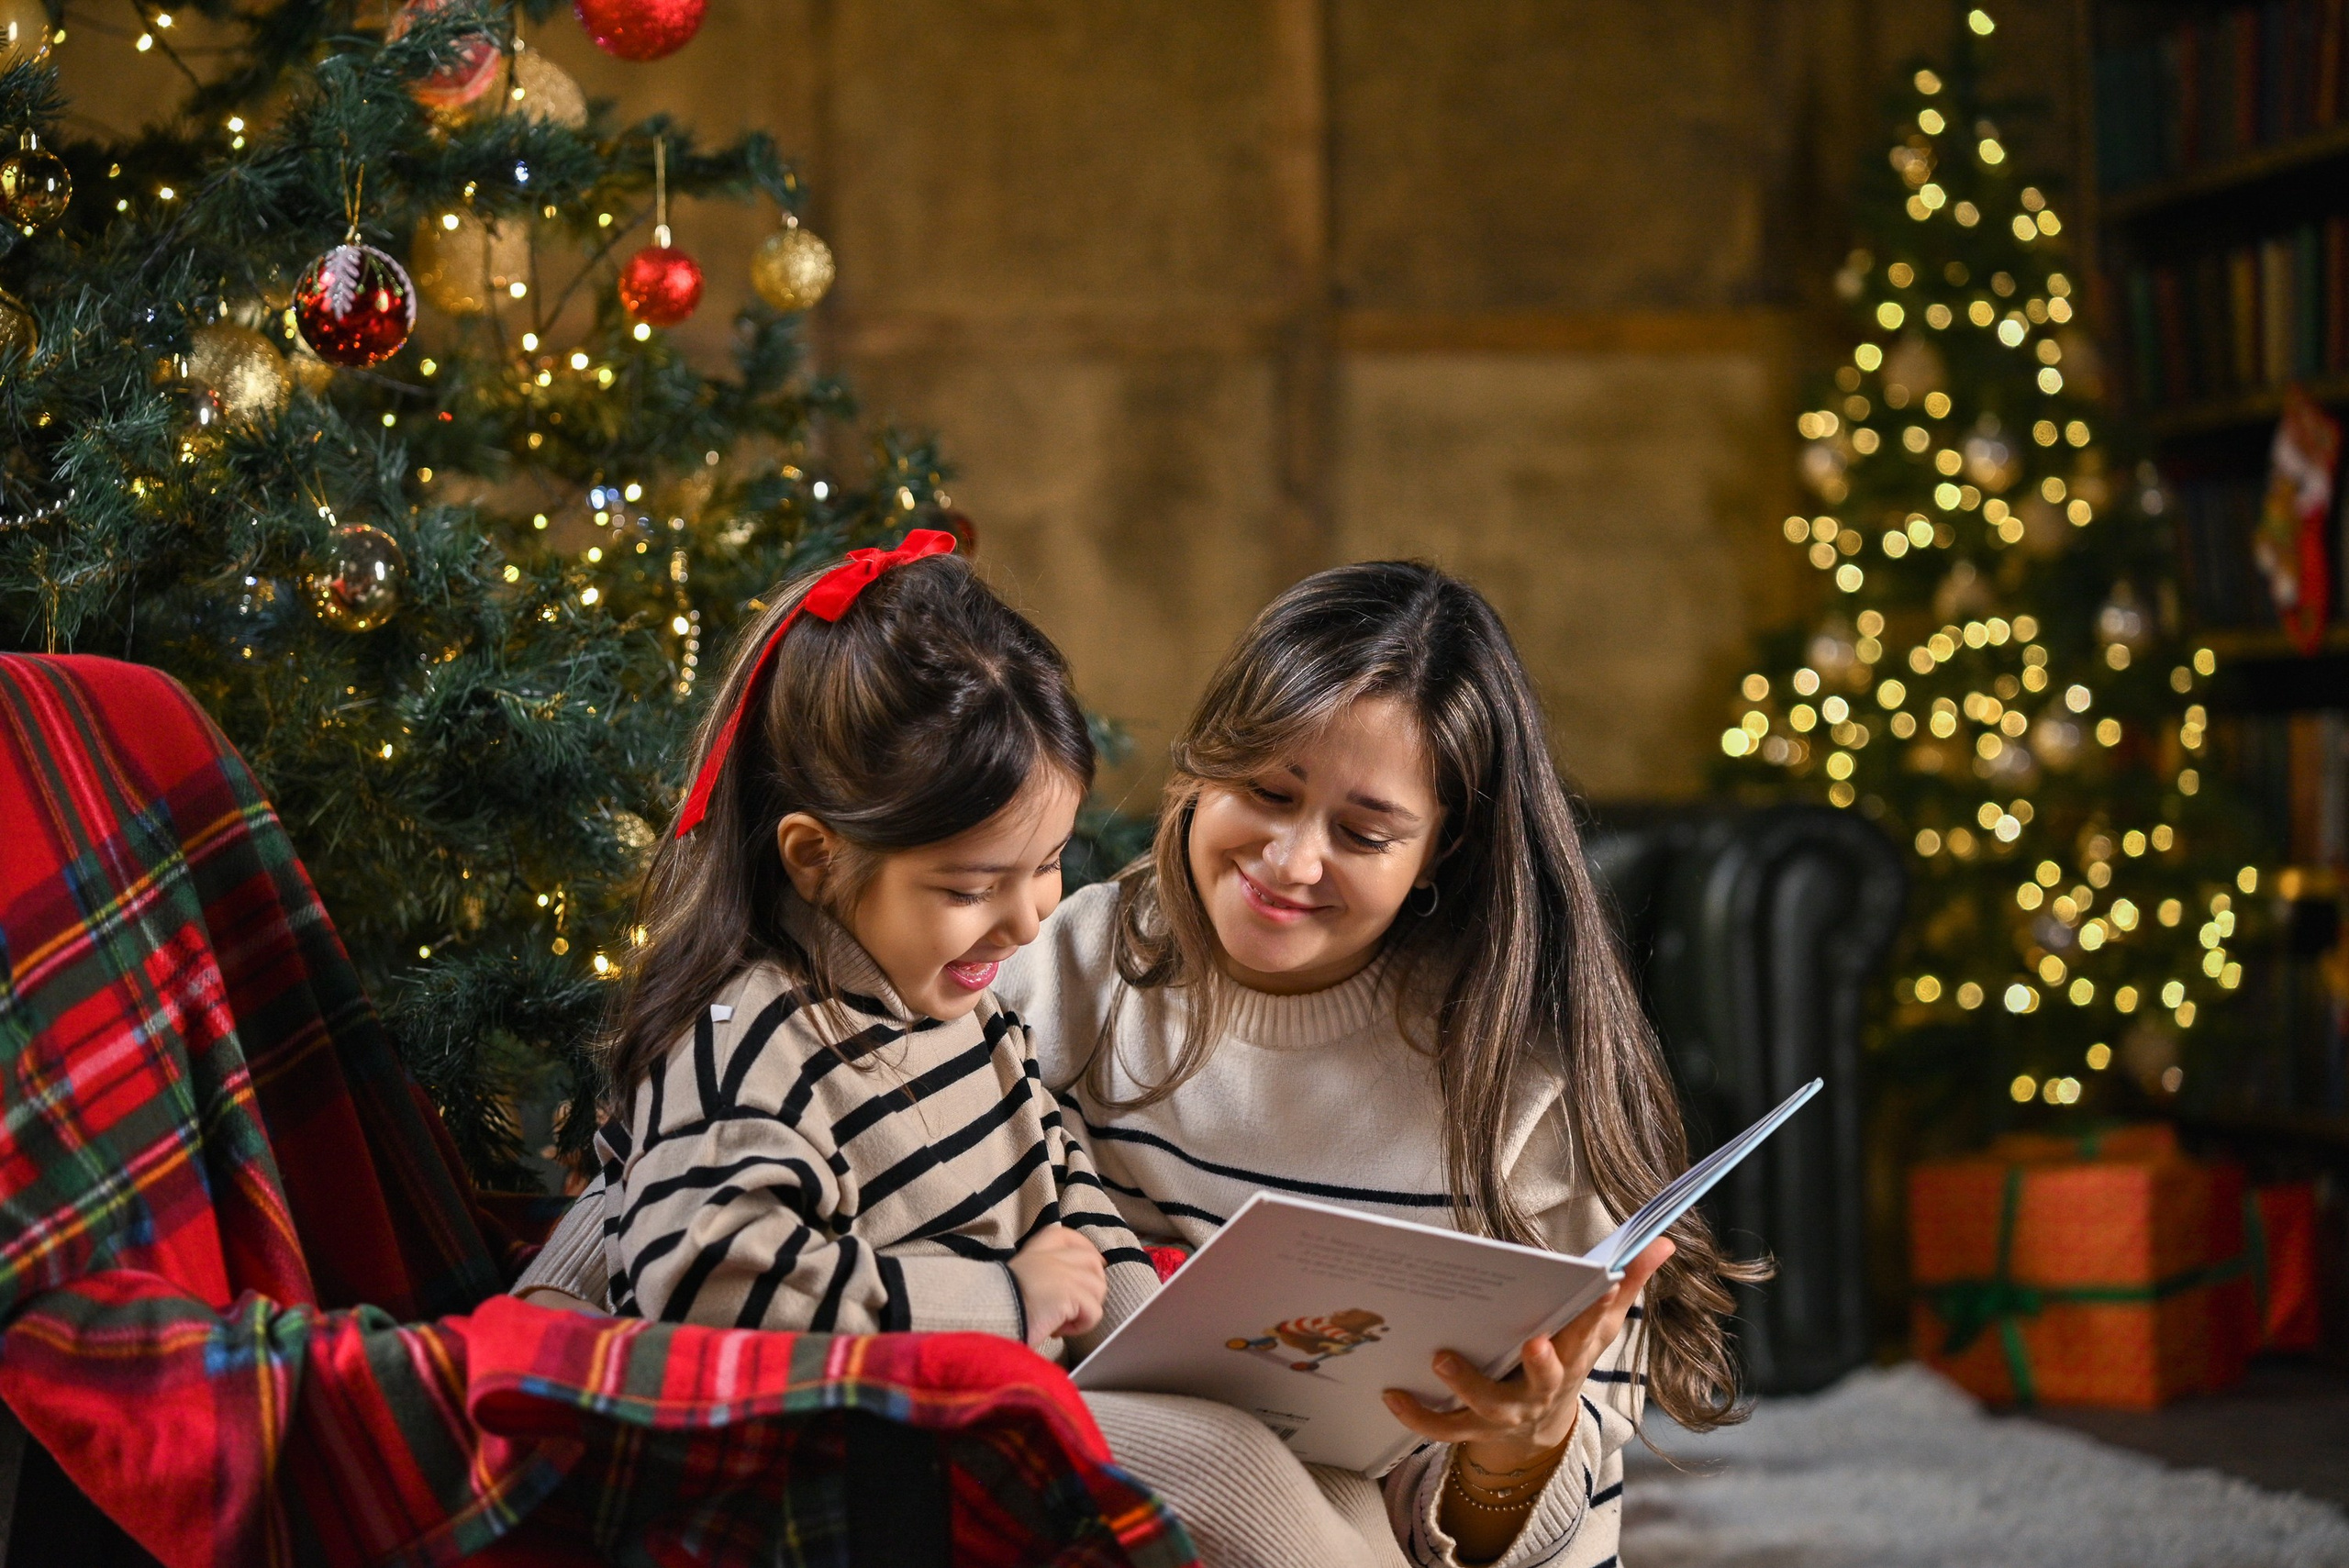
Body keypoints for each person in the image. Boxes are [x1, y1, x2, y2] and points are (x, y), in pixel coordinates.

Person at [997, 561, 1758, 1568]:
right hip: (1143, 1506)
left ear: (1439, 851)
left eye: (1364, 832)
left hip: (1436, 1542)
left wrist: (1515, 1450)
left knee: (1337, 1490)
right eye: (1264, 792)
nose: (1292, 861)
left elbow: (1526, 1544)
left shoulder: (1514, 1076)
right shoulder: (1070, 971)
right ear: (1201, 765)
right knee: (1242, 1463)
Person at [516, 531, 1155, 1360]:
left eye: (1047, 864)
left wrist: (1158, 1335)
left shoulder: (970, 1014)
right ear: (819, 858)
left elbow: (1061, 1185)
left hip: (1010, 1386)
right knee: (1232, 1479)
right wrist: (1006, 1298)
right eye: (968, 889)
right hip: (879, 1433)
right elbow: (715, 1280)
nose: (1028, 921)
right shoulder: (750, 1039)